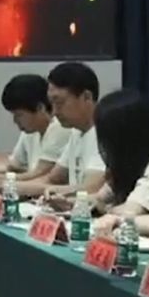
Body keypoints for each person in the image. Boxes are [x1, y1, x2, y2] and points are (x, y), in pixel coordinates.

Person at [90, 90, 149, 237]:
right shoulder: (127, 165)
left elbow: (131, 210)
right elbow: (98, 198)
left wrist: (108, 212)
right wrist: (70, 202)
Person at [31, 62, 107, 205]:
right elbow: (52, 178)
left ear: (86, 97)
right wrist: (10, 185)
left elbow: (91, 188)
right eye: (52, 104)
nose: (54, 112)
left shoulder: (106, 131)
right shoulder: (76, 132)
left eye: (59, 103)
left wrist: (53, 192)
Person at [1, 74, 72, 196]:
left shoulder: (60, 128)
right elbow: (13, 166)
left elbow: (39, 174)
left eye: (19, 115)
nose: (15, 121)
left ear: (40, 108)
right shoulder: (30, 131)